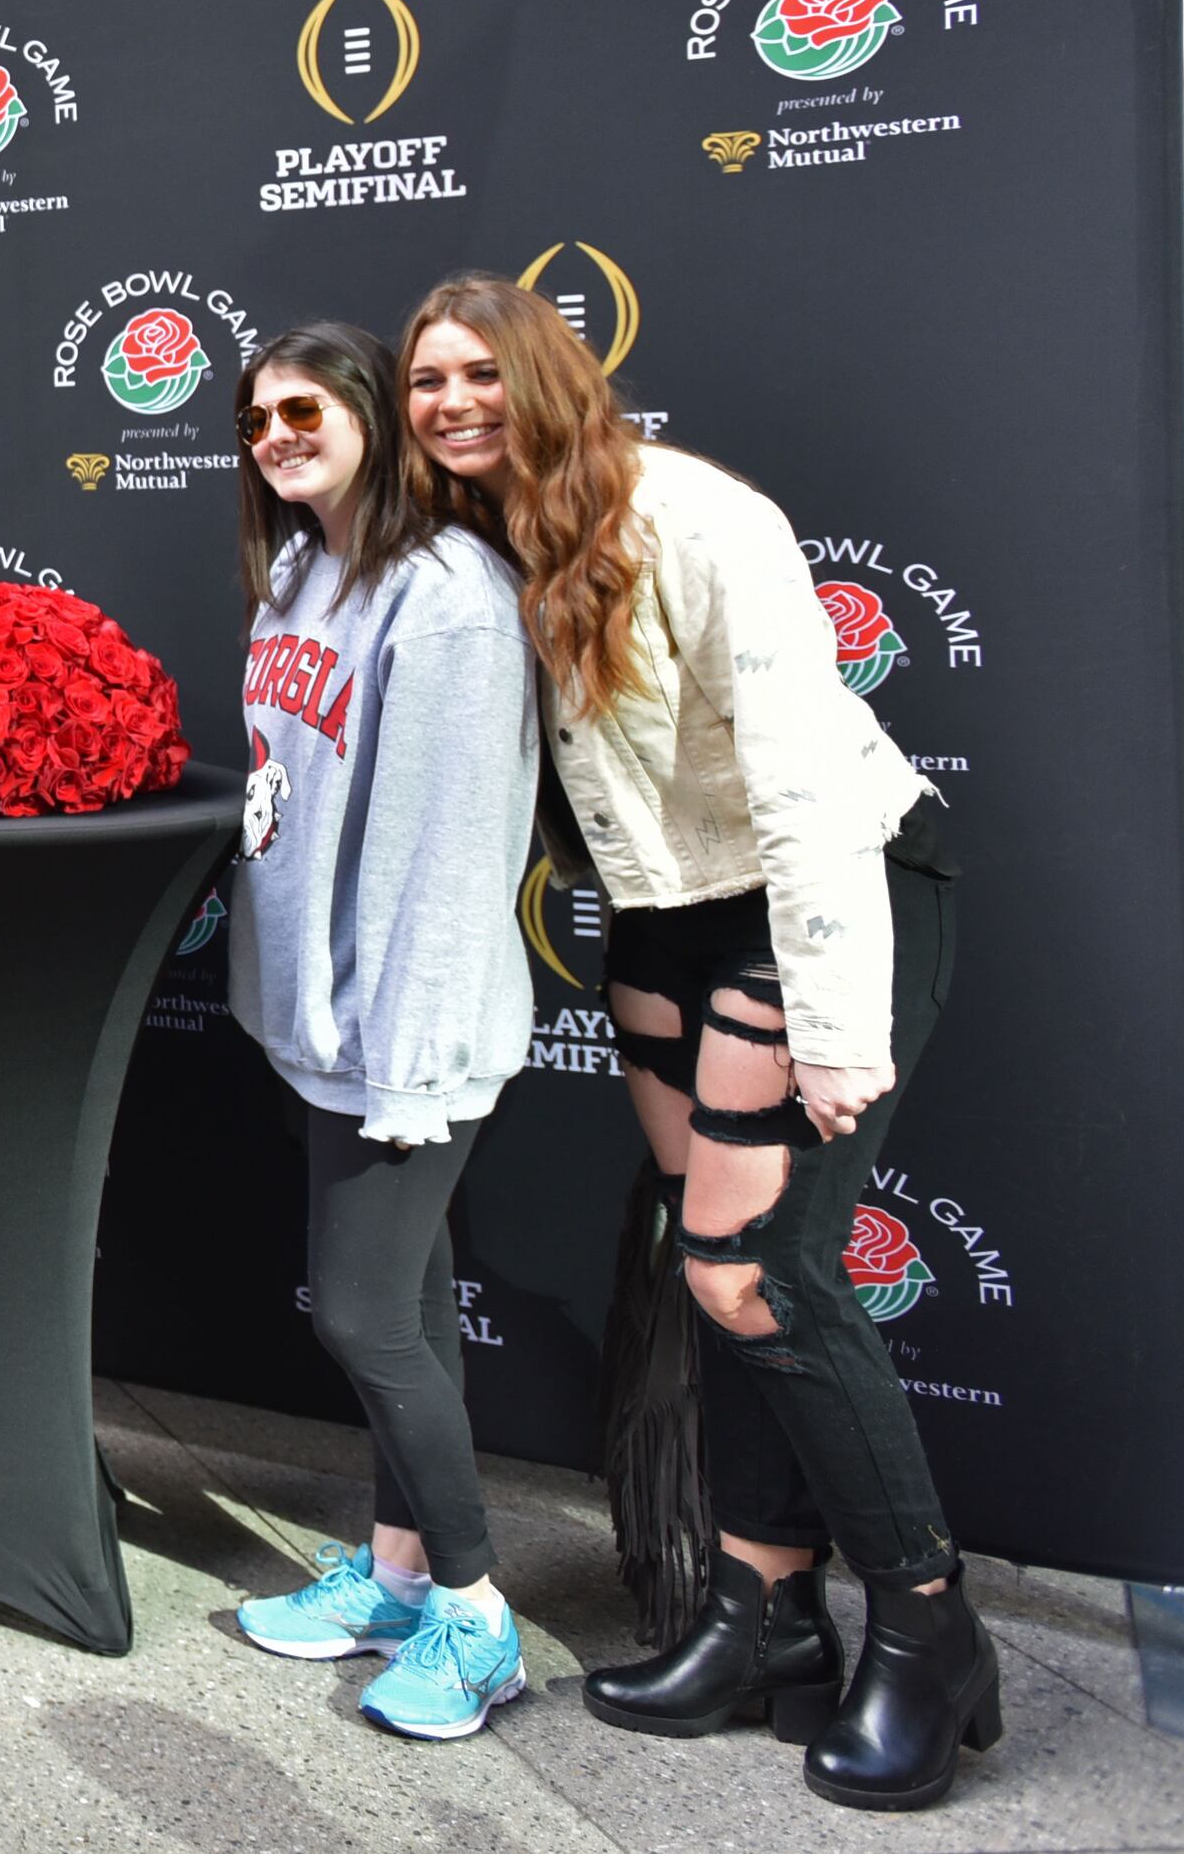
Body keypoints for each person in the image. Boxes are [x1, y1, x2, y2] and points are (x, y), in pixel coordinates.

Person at [400, 277, 983, 1811]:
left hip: (817, 898)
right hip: (662, 918)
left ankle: (926, 1630)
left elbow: (797, 787)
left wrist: (840, 1022)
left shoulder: (698, 516)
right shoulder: (493, 541)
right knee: (704, 1271)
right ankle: (764, 1614)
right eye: (426, 382)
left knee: (758, 1273)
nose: (452, 401)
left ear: (548, 376)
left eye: (479, 372)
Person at [214, 323, 538, 1741]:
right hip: (323, 1016)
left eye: (305, 407)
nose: (277, 433)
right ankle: (402, 1578)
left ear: (368, 415)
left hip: (410, 1030)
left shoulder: (447, 592)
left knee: (360, 1315)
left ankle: (476, 1620)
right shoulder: (300, 568)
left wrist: (399, 1060)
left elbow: (451, 849)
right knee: (406, 1308)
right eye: (256, 417)